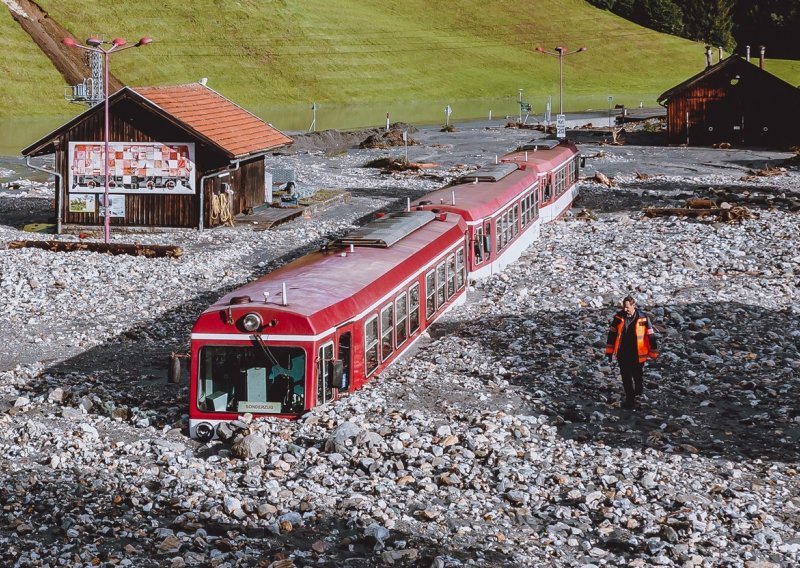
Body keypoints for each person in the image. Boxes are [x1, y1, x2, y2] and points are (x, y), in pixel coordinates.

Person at [605, 295, 659, 409]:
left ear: (634, 306)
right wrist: (609, 353)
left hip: (637, 353)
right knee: (626, 376)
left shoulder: (643, 318)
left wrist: (653, 352)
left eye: (627, 307)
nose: (625, 309)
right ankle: (630, 398)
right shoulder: (618, 317)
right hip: (622, 352)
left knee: (637, 375)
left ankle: (638, 394)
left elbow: (650, 335)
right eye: (624, 307)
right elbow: (612, 335)